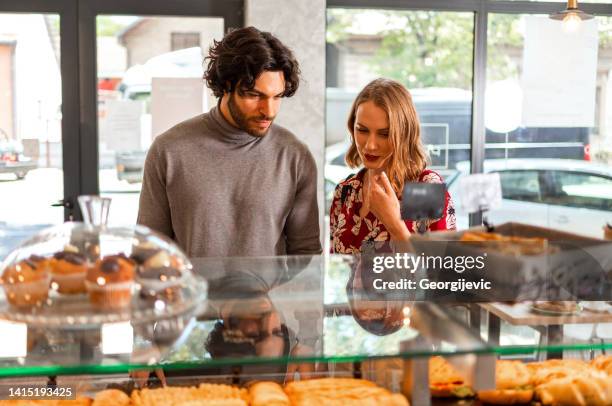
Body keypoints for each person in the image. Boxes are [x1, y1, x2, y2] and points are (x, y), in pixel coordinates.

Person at [138, 26, 321, 257]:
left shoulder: (294, 156)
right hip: (192, 293)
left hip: (268, 294)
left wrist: (278, 293)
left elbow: (306, 254)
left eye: (277, 96)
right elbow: (149, 250)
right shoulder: (169, 150)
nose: (269, 110)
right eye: (255, 95)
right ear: (225, 86)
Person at [330, 78, 456, 254]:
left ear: (404, 134)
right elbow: (337, 269)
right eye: (362, 130)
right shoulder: (346, 191)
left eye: (384, 134)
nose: (370, 145)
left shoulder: (424, 188)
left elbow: (441, 275)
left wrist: (394, 224)